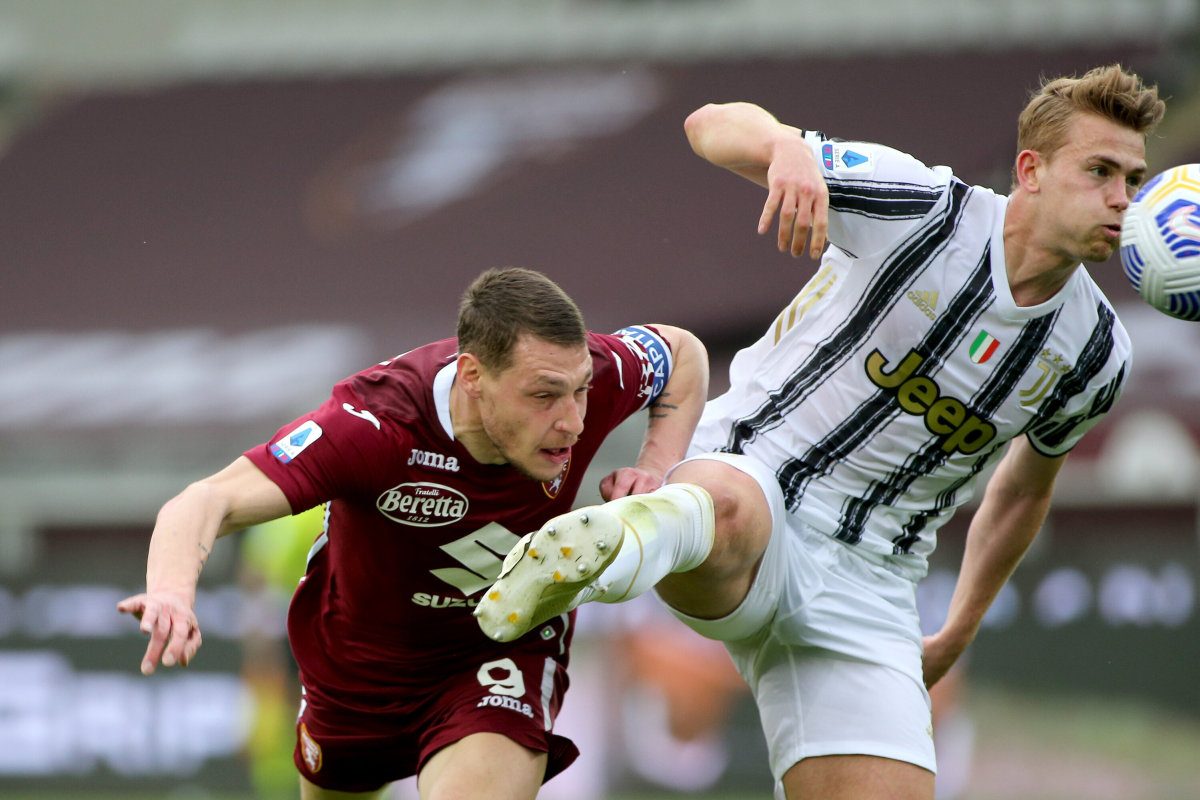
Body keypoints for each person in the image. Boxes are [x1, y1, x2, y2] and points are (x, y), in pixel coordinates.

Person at [475, 65, 1165, 800]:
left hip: (871, 588)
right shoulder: (922, 206)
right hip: (753, 480)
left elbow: (1024, 491)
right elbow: (706, 125)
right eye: (1100, 171)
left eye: (1133, 178)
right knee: (726, 506)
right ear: (1031, 169)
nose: (1122, 199)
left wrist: (959, 626)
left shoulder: (1095, 354)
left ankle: (631, 535)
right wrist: (786, 146)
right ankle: (608, 549)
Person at [117, 266, 709, 800]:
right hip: (354, 674)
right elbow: (206, 499)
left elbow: (683, 354)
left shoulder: (591, 375)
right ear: (473, 376)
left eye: (580, 390)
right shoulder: (372, 427)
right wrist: (171, 589)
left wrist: (656, 468)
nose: (574, 421)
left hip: (497, 651)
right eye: (544, 397)